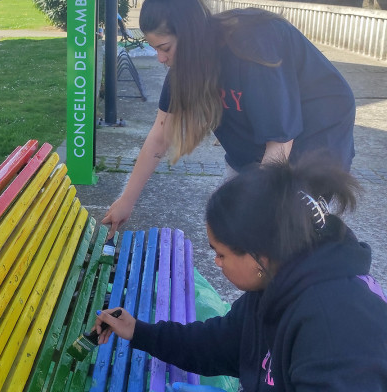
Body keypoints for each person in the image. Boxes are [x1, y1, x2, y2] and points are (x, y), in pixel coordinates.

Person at [93, 157, 387, 392]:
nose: (214, 262)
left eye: (222, 253)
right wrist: (138, 331)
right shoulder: (277, 286)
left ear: (261, 256)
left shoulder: (335, 324)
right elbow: (219, 344)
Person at [102, 0, 356, 238]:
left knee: (279, 231)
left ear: (190, 35)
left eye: (164, 48)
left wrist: (256, 209)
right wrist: (126, 201)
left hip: (317, 130)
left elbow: (280, 142)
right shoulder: (186, 65)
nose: (160, 58)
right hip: (259, 136)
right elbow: (160, 136)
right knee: (234, 230)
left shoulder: (252, 47)